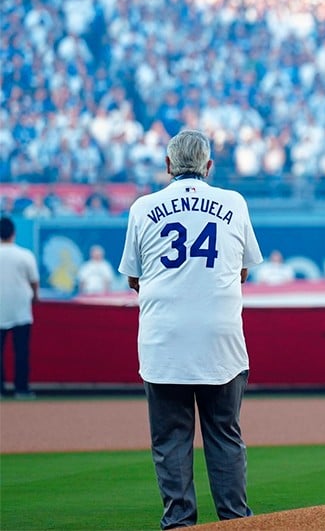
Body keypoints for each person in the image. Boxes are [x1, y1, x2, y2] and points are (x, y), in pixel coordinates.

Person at [117, 129, 262, 528]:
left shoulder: (143, 207)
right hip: (221, 339)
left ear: (167, 166)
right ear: (209, 166)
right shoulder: (233, 202)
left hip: (164, 340)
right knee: (224, 436)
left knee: (171, 441)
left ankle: (180, 523)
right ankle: (235, 521)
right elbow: (244, 270)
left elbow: (133, 277)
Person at [0, 216, 39, 399]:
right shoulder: (24, 255)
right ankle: (21, 389)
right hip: (21, 309)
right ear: (13, 234)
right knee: (21, 352)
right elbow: (34, 282)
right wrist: (35, 298)